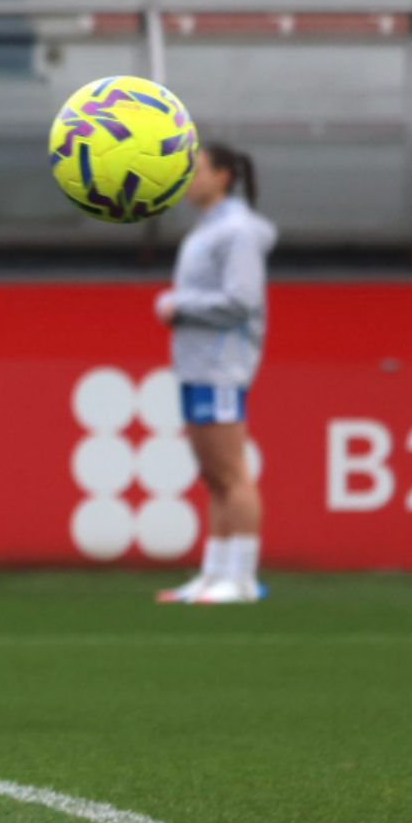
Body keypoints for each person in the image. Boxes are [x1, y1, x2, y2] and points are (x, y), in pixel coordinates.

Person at [155, 144, 276, 605]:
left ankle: (241, 576)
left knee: (232, 473)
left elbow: (242, 299)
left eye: (197, 170)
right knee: (213, 475)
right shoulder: (208, 231)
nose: (188, 178)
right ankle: (214, 573)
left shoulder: (237, 232)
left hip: (222, 363)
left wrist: (178, 306)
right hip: (198, 362)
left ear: (223, 176)